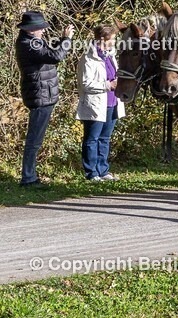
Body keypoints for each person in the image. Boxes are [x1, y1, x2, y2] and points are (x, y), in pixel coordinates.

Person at [15, 11, 74, 188]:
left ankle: (30, 175)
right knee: (34, 140)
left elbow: (48, 53)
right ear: (31, 29)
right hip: (40, 95)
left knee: (36, 138)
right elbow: (55, 57)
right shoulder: (28, 44)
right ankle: (28, 178)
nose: (43, 31)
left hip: (43, 94)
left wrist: (61, 41)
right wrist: (66, 40)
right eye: (40, 28)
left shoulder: (32, 41)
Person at [77, 25, 126, 181]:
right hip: (96, 104)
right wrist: (108, 85)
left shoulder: (110, 56)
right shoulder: (88, 58)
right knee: (92, 138)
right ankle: (91, 172)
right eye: (113, 38)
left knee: (105, 138)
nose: (115, 41)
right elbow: (85, 83)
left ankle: (103, 170)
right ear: (103, 39)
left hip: (112, 102)